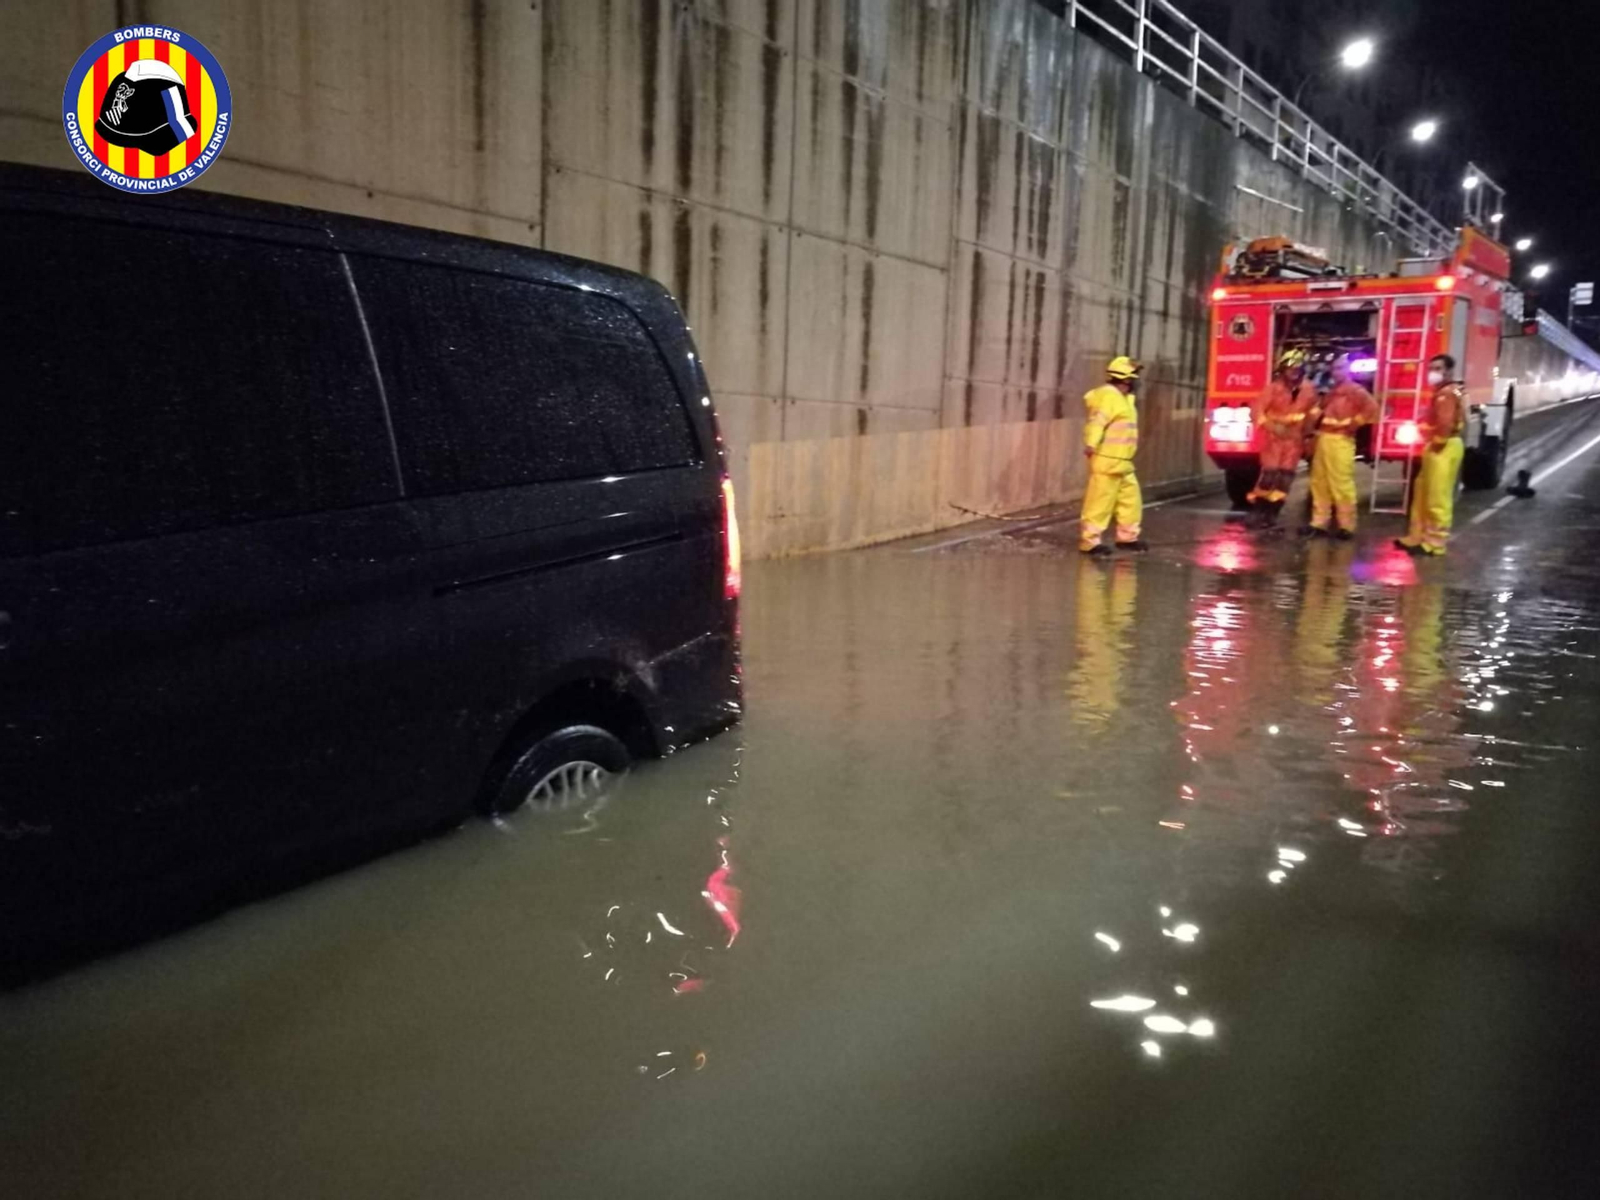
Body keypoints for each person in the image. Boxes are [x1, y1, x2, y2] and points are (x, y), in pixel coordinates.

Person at [1396, 354, 1466, 556]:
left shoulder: (1446, 394)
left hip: (1443, 447)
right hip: (1437, 446)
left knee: (1437, 497)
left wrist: (1436, 445)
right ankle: (1417, 536)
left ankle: (1435, 544)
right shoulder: (1443, 392)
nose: (1433, 372)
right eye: (1431, 368)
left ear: (1449, 371)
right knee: (1422, 494)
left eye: (1438, 368)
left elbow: (1444, 424)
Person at [1302, 354, 1379, 539]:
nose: (1336, 372)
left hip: (1341, 440)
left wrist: (1356, 423)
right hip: (1324, 439)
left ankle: (1347, 525)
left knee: (1341, 484)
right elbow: (1318, 411)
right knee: (1319, 483)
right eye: (1335, 368)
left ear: (1347, 370)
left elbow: (1373, 409)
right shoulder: (1332, 392)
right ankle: (1319, 522)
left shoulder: (1356, 391)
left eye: (1340, 368)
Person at [1079, 356, 1146, 557]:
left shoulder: (1124, 399)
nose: (1136, 382)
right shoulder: (1108, 397)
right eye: (1134, 378)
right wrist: (1091, 443)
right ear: (1126, 380)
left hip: (1123, 462)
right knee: (1099, 503)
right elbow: (1097, 422)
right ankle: (1089, 543)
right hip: (1107, 460)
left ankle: (1127, 538)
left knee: (1130, 502)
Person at [1247, 349, 1316, 529]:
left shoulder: (1308, 390)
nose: (1294, 371)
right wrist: (1272, 427)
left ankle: (1272, 515)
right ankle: (1258, 513)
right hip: (1273, 440)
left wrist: (1309, 436)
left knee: (1284, 480)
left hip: (1294, 442)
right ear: (1283, 369)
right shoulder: (1273, 389)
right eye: (1290, 368)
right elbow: (1257, 411)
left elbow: (1312, 413)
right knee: (1269, 476)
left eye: (1297, 368)